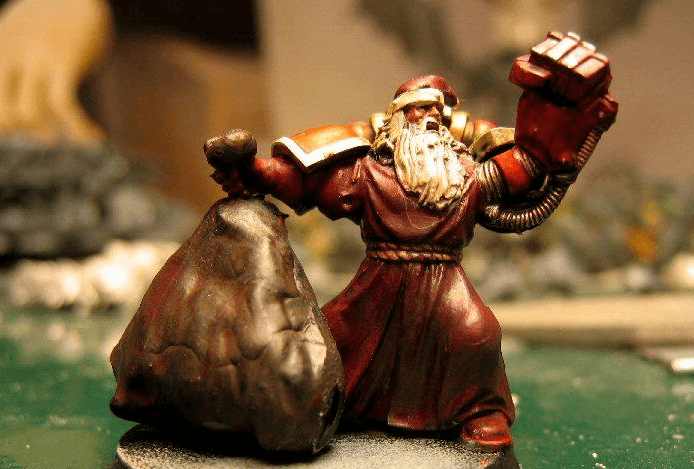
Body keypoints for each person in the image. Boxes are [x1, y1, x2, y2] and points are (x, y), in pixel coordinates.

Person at [208, 32, 617, 452]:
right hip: (379, 281)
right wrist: (253, 170)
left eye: (437, 111)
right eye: (420, 109)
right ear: (397, 121)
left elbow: (526, 167)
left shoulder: (466, 174)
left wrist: (572, 126)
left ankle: (481, 411)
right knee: (331, 337)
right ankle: (320, 403)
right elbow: (303, 182)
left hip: (444, 281)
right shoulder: (368, 174)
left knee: (477, 333)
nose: (431, 118)